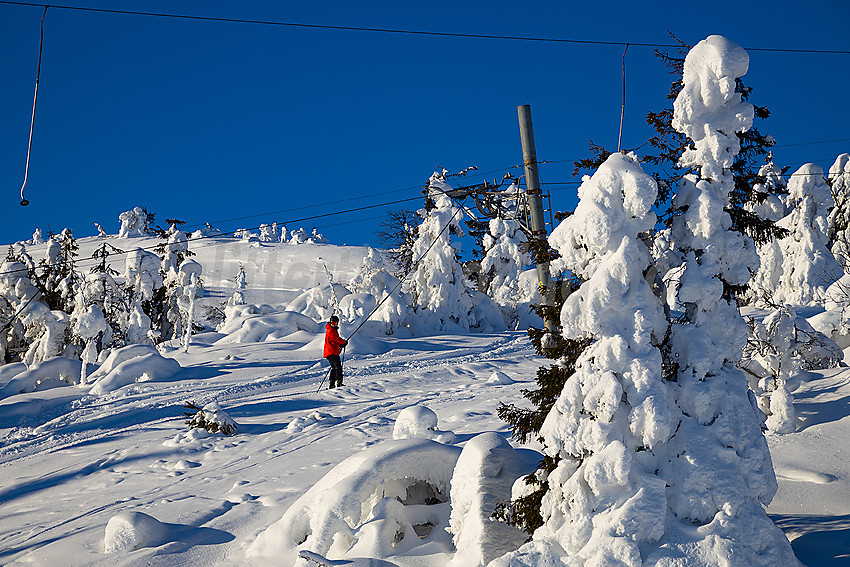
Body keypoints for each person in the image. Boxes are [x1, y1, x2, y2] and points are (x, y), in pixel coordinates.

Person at [323, 315, 348, 389]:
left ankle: (332, 384)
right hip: (331, 352)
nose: (334, 324)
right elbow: (336, 338)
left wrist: (341, 344)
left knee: (334, 368)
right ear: (330, 323)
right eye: (332, 322)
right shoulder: (331, 330)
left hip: (330, 352)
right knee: (338, 367)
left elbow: (334, 341)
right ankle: (339, 382)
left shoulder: (331, 329)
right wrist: (343, 342)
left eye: (335, 323)